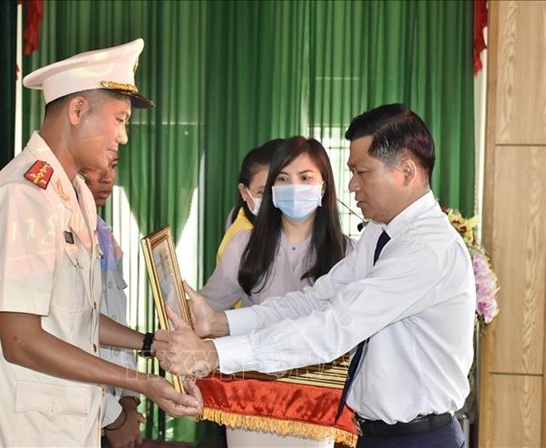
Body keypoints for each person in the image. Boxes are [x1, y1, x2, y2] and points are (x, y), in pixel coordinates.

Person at [155, 104, 475, 448]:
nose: (352, 185)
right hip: (373, 433)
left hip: (418, 438)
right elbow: (316, 301)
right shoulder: (380, 233)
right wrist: (220, 324)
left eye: (362, 172)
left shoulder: (426, 249)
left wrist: (213, 354)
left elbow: (334, 327)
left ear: (406, 171)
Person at [0, 39, 201, 447]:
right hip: (20, 432)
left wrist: (148, 343)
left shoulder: (76, 195)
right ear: (77, 110)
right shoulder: (24, 197)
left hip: (66, 428)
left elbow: (76, 318)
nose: (123, 137)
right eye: (119, 119)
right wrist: (140, 382)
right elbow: (20, 340)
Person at [202, 136, 351, 447]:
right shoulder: (244, 245)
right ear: (271, 189)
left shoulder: (347, 252)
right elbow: (209, 308)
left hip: (314, 399)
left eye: (305, 177)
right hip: (251, 394)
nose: (294, 186)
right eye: (282, 178)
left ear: (324, 185)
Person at [81, 154, 145, 448]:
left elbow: (116, 323)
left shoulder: (104, 233)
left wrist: (130, 402)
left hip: (114, 407)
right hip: (87, 413)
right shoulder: (64, 231)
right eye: (97, 166)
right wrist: (116, 419)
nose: (107, 177)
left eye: (114, 165)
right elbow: (73, 334)